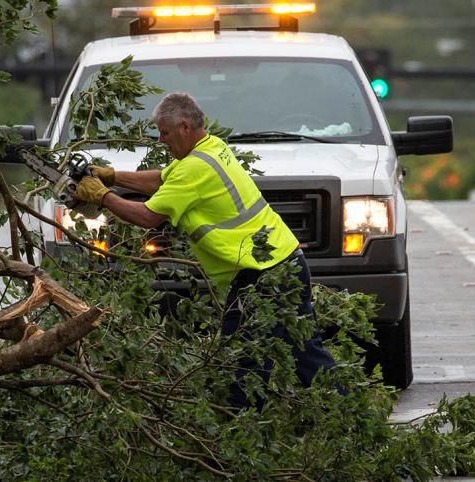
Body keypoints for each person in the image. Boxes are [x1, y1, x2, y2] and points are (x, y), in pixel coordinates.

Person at [72, 92, 338, 408]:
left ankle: (237, 439)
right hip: (286, 264)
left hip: (261, 278)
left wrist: (102, 196)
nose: (161, 140)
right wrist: (113, 176)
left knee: (239, 368)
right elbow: (161, 180)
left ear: (184, 127)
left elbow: (147, 217)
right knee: (305, 354)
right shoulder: (212, 149)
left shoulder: (193, 169)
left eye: (165, 132)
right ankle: (350, 415)